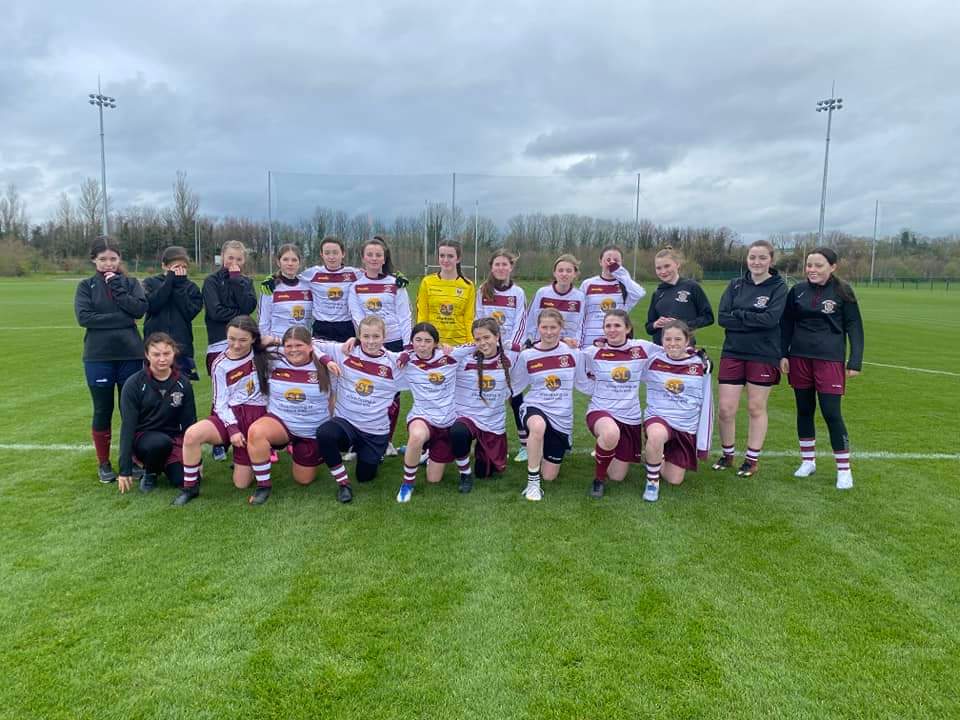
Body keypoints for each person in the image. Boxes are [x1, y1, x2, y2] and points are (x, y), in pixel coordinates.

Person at [780, 247, 864, 490]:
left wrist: (855, 360)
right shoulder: (797, 291)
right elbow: (786, 323)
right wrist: (783, 353)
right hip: (799, 358)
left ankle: (844, 470)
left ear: (832, 267)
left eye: (818, 265)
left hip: (829, 360)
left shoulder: (843, 291)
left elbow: (854, 327)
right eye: (809, 265)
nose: (812, 270)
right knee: (804, 410)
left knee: (831, 413)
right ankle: (808, 461)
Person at [172, 316, 270, 506]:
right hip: (228, 416)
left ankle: (260, 464)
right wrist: (232, 428)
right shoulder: (220, 363)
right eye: (231, 338)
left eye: (242, 340)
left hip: (256, 416)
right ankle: (190, 487)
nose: (236, 344)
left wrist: (274, 340)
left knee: (241, 484)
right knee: (192, 435)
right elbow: (220, 402)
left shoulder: (263, 355)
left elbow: (298, 346)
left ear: (253, 339)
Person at [74, 236, 148, 483]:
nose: (108, 263)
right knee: (103, 410)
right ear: (94, 259)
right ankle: (104, 463)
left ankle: (132, 460)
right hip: (98, 357)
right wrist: (124, 319)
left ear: (119, 259)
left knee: (131, 411)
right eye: (103, 259)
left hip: (131, 355)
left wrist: (117, 288)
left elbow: (138, 309)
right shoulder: (86, 286)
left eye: (113, 259)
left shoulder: (130, 283)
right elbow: (85, 318)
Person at [713, 239, 787, 477]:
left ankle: (752, 459)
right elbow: (723, 318)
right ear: (747, 259)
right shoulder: (735, 285)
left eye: (762, 258)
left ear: (771, 261)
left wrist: (740, 316)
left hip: (763, 354)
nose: (757, 262)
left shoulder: (778, 287)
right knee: (726, 408)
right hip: (733, 351)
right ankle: (727, 455)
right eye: (753, 257)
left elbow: (771, 320)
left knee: (756, 407)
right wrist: (753, 317)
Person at [314, 316, 404, 503]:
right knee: (325, 433)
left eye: (376, 336)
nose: (371, 342)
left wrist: (409, 353)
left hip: (374, 431)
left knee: (365, 477)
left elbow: (426, 357)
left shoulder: (394, 363)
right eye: (365, 336)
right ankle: (343, 484)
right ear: (358, 336)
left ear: (384, 337)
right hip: (346, 422)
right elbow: (308, 341)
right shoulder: (345, 351)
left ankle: (371, 454)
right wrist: (327, 360)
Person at [243, 325, 335, 505]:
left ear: (310, 346)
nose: (293, 350)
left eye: (299, 345)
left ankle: (308, 451)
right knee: (256, 432)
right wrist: (275, 340)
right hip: (281, 423)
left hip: (310, 430)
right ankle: (264, 485)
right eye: (289, 346)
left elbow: (352, 347)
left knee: (303, 480)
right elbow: (253, 345)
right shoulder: (276, 359)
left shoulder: (324, 363)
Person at [511, 309, 593, 502]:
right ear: (538, 328)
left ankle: (540, 450)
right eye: (544, 327)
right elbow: (515, 386)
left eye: (553, 327)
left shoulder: (573, 353)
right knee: (537, 427)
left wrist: (608, 389)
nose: (548, 332)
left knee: (549, 475)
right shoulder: (527, 355)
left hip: (561, 416)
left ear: (561, 328)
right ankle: (532, 483)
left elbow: (582, 382)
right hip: (534, 406)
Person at [582, 309, 658, 498]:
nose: (612, 330)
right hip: (600, 410)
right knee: (610, 433)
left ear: (628, 328)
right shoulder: (593, 352)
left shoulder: (642, 348)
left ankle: (606, 447)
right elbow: (575, 370)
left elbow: (670, 351)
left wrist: (696, 355)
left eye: (617, 325)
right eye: (608, 326)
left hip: (630, 416)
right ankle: (598, 480)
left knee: (617, 476)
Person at [347, 235, 411, 456]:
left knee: (392, 394)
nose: (374, 259)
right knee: (366, 392)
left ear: (384, 259)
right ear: (363, 258)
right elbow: (356, 317)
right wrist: (366, 341)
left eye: (378, 255)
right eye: (370, 255)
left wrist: (407, 347)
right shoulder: (355, 286)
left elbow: (404, 316)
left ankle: (387, 440)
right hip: (368, 344)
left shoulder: (396, 283)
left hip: (393, 343)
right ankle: (359, 441)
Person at [640, 320, 713, 503]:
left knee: (674, 480)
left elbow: (707, 400)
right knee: (656, 436)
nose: (672, 343)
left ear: (687, 340)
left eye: (678, 339)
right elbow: (626, 354)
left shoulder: (701, 365)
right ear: (661, 341)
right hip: (659, 417)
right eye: (668, 339)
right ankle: (652, 481)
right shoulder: (652, 360)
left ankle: (654, 456)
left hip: (684, 425)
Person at [116, 333, 196, 495]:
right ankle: (150, 473)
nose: (162, 359)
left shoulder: (183, 383)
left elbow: (190, 424)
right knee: (159, 443)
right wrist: (124, 470)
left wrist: (196, 461)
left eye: (166, 354)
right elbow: (128, 427)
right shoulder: (134, 384)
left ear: (174, 353)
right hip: (145, 440)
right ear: (147, 355)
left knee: (185, 481)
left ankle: (167, 465)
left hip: (173, 440)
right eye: (156, 354)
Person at [394, 322, 460, 502]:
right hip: (422, 416)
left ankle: (425, 453)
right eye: (418, 340)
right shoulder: (406, 361)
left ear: (436, 343)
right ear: (412, 342)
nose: (422, 345)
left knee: (434, 480)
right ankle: (407, 483)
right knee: (416, 436)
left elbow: (476, 347)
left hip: (447, 420)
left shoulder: (450, 357)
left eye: (427, 341)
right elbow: (377, 353)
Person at [449, 317, 515, 493]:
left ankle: (481, 457)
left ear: (497, 336)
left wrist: (507, 345)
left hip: (492, 421)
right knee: (458, 432)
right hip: (466, 416)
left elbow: (525, 351)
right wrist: (473, 346)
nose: (483, 343)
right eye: (478, 339)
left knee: (485, 472)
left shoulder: (509, 359)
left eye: (487, 337)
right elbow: (449, 355)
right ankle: (465, 474)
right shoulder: (464, 360)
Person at [475, 248, 528, 462]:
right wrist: (486, 345)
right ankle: (491, 442)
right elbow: (478, 318)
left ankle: (524, 444)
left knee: (515, 397)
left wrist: (513, 349)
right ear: (491, 267)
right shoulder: (483, 290)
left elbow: (521, 321)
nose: (500, 268)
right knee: (488, 395)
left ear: (511, 267)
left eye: (504, 264)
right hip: (488, 351)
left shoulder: (518, 292)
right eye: (497, 264)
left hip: (510, 353)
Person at [142, 246, 204, 381]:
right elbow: (152, 305)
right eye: (175, 267)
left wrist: (179, 286)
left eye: (183, 267)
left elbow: (189, 312)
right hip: (155, 346)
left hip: (181, 347)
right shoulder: (150, 283)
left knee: (180, 390)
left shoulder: (191, 287)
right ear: (164, 266)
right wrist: (169, 281)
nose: (180, 270)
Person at [202, 240, 257, 375]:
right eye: (230, 258)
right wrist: (241, 314)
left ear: (244, 260)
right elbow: (215, 312)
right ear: (222, 257)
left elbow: (249, 307)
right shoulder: (211, 281)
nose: (234, 262)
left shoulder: (246, 282)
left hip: (244, 346)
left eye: (239, 259)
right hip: (218, 343)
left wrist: (236, 280)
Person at [644, 246, 714, 346]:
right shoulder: (657, 293)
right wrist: (656, 324)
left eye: (667, 266)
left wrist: (682, 325)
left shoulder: (692, 287)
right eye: (658, 268)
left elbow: (708, 318)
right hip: (660, 351)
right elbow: (649, 327)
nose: (663, 271)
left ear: (677, 264)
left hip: (684, 350)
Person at [579, 245, 646, 347]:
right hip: (590, 341)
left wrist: (619, 272)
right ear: (600, 261)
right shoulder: (588, 284)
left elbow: (639, 293)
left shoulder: (626, 285)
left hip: (616, 342)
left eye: (616, 260)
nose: (611, 263)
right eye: (608, 259)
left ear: (621, 263)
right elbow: (580, 314)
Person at [416, 240, 475, 346]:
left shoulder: (468, 286)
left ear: (458, 258)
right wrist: (422, 341)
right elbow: (422, 316)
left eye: (450, 256)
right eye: (442, 256)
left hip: (459, 345)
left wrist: (471, 344)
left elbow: (469, 319)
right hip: (434, 345)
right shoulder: (427, 282)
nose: (445, 260)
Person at [303, 236, 361, 342]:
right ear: (322, 254)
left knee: (345, 358)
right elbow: (290, 277)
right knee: (321, 358)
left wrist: (396, 278)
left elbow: (375, 276)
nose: (331, 257)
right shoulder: (313, 273)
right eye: (327, 253)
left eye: (335, 252)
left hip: (345, 326)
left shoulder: (354, 273)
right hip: (321, 326)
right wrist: (274, 279)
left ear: (343, 254)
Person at [524, 253, 586, 349]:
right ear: (554, 273)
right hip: (542, 345)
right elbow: (530, 320)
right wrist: (531, 342)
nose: (564, 274)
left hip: (567, 347)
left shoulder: (579, 297)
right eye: (560, 270)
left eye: (569, 271)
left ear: (575, 274)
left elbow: (580, 325)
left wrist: (575, 343)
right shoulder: (542, 293)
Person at [258, 243, 313, 347]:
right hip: (278, 345)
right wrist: (267, 344)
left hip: (302, 345)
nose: (290, 263)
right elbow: (263, 321)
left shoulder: (308, 286)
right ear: (278, 262)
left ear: (299, 263)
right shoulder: (270, 287)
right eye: (285, 259)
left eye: (294, 260)